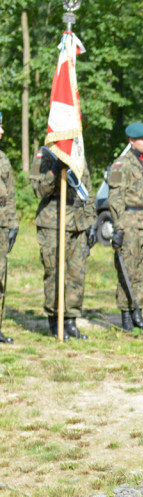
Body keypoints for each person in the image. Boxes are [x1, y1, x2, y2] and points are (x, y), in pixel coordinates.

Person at [30, 146, 96, 339]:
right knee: (54, 272)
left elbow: (88, 192)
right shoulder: (44, 157)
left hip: (77, 222)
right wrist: (53, 170)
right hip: (53, 222)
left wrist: (91, 221)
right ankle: (54, 320)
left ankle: (70, 321)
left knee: (76, 274)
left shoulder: (77, 154)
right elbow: (38, 190)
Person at [109, 123, 143, 333]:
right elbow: (115, 197)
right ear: (132, 141)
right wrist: (119, 228)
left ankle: (138, 314)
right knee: (128, 271)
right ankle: (125, 315)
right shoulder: (121, 165)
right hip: (130, 224)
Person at [0, 113, 17, 344]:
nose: (2, 131)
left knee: (0, 275)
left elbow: (10, 194)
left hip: (2, 223)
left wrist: (13, 223)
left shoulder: (3, 159)